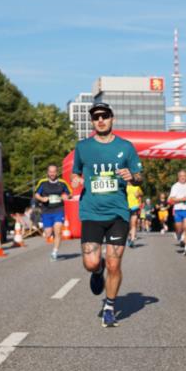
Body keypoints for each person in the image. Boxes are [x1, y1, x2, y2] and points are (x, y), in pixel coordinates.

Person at [71, 102, 143, 328]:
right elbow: (75, 174)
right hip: (91, 212)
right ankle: (97, 270)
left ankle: (110, 307)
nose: (100, 120)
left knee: (115, 265)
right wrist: (75, 180)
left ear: (113, 118)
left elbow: (140, 177)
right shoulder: (83, 147)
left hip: (117, 214)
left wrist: (132, 176)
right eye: (96, 117)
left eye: (104, 116)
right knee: (91, 263)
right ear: (92, 121)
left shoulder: (126, 147)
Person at [34, 165, 71, 260]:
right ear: (47, 172)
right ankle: (53, 234)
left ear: (57, 172)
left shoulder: (62, 183)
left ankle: (54, 252)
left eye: (54, 172)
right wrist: (42, 198)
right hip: (46, 211)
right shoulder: (43, 183)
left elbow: (70, 193)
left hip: (58, 209)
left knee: (58, 231)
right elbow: (36, 194)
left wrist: (66, 196)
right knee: (48, 234)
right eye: (50, 172)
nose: (52, 174)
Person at [168, 170, 186, 255]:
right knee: (179, 228)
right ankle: (179, 235)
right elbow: (171, 199)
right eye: (181, 176)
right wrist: (181, 199)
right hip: (178, 209)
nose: (183, 177)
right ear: (178, 177)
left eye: (184, 176)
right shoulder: (175, 186)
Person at [126, 182, 143, 248]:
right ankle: (129, 237)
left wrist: (139, 194)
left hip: (134, 207)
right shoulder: (124, 187)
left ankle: (132, 240)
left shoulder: (136, 187)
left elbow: (141, 194)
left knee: (133, 223)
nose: (129, 182)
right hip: (126, 207)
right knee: (127, 224)